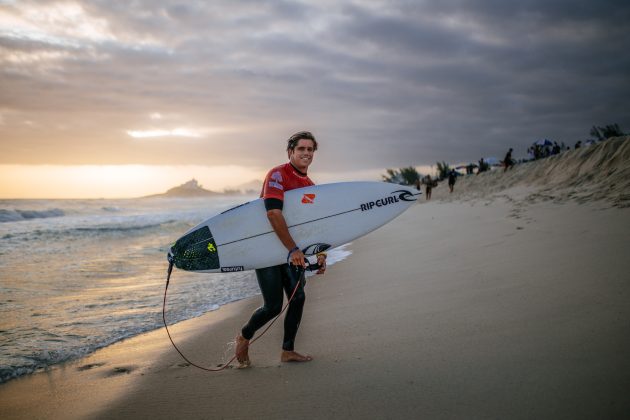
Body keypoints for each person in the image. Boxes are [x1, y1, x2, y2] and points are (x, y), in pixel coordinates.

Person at [235, 131, 327, 366]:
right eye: (301, 149)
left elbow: (313, 226)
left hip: (291, 249)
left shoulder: (309, 185)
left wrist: (320, 253)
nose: (306, 153)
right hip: (267, 248)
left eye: (310, 149)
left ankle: (288, 350)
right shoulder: (277, 175)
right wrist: (294, 249)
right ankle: (244, 336)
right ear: (290, 152)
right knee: (273, 306)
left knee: (298, 298)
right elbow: (273, 213)